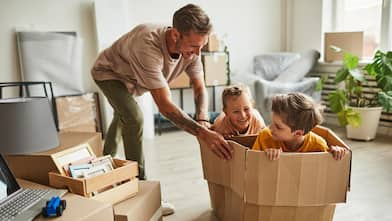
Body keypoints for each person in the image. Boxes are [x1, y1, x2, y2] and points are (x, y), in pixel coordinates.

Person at [91, 4, 232, 216]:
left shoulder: (192, 50)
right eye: (194, 46)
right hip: (109, 73)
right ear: (176, 34)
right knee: (134, 117)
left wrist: (202, 120)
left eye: (201, 47)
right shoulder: (147, 45)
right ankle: (141, 191)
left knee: (125, 115)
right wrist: (203, 134)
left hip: (134, 80)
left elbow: (199, 87)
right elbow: (165, 107)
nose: (197, 53)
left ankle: (102, 165)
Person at [252, 92, 346, 161]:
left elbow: (326, 167)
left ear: (298, 133)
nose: (270, 128)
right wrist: (264, 157)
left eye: (278, 127)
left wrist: (336, 153)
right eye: (272, 122)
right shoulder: (264, 137)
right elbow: (250, 163)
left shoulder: (318, 146)